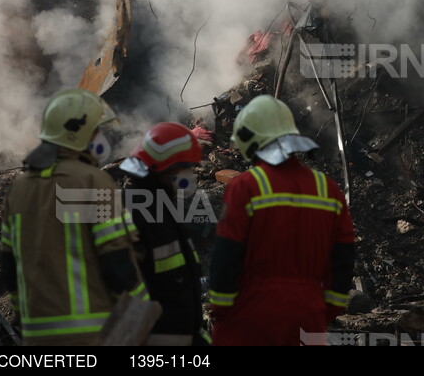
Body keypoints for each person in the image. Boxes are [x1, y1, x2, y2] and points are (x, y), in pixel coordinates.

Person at [0, 88, 148, 346]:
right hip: (91, 334)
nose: (100, 137)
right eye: (96, 131)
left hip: (36, 338)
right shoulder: (92, 181)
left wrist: (23, 317)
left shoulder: (19, 189)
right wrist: (141, 309)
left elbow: (9, 266)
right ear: (77, 134)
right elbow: (116, 260)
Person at [208, 95, 355, 345]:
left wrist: (221, 309)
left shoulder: (246, 186)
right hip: (308, 315)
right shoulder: (327, 188)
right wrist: (326, 308)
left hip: (252, 313)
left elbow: (226, 255)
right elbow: (344, 256)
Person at [119, 122, 207, 346]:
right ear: (163, 167)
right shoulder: (135, 210)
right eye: (184, 168)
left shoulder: (161, 203)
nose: (189, 175)